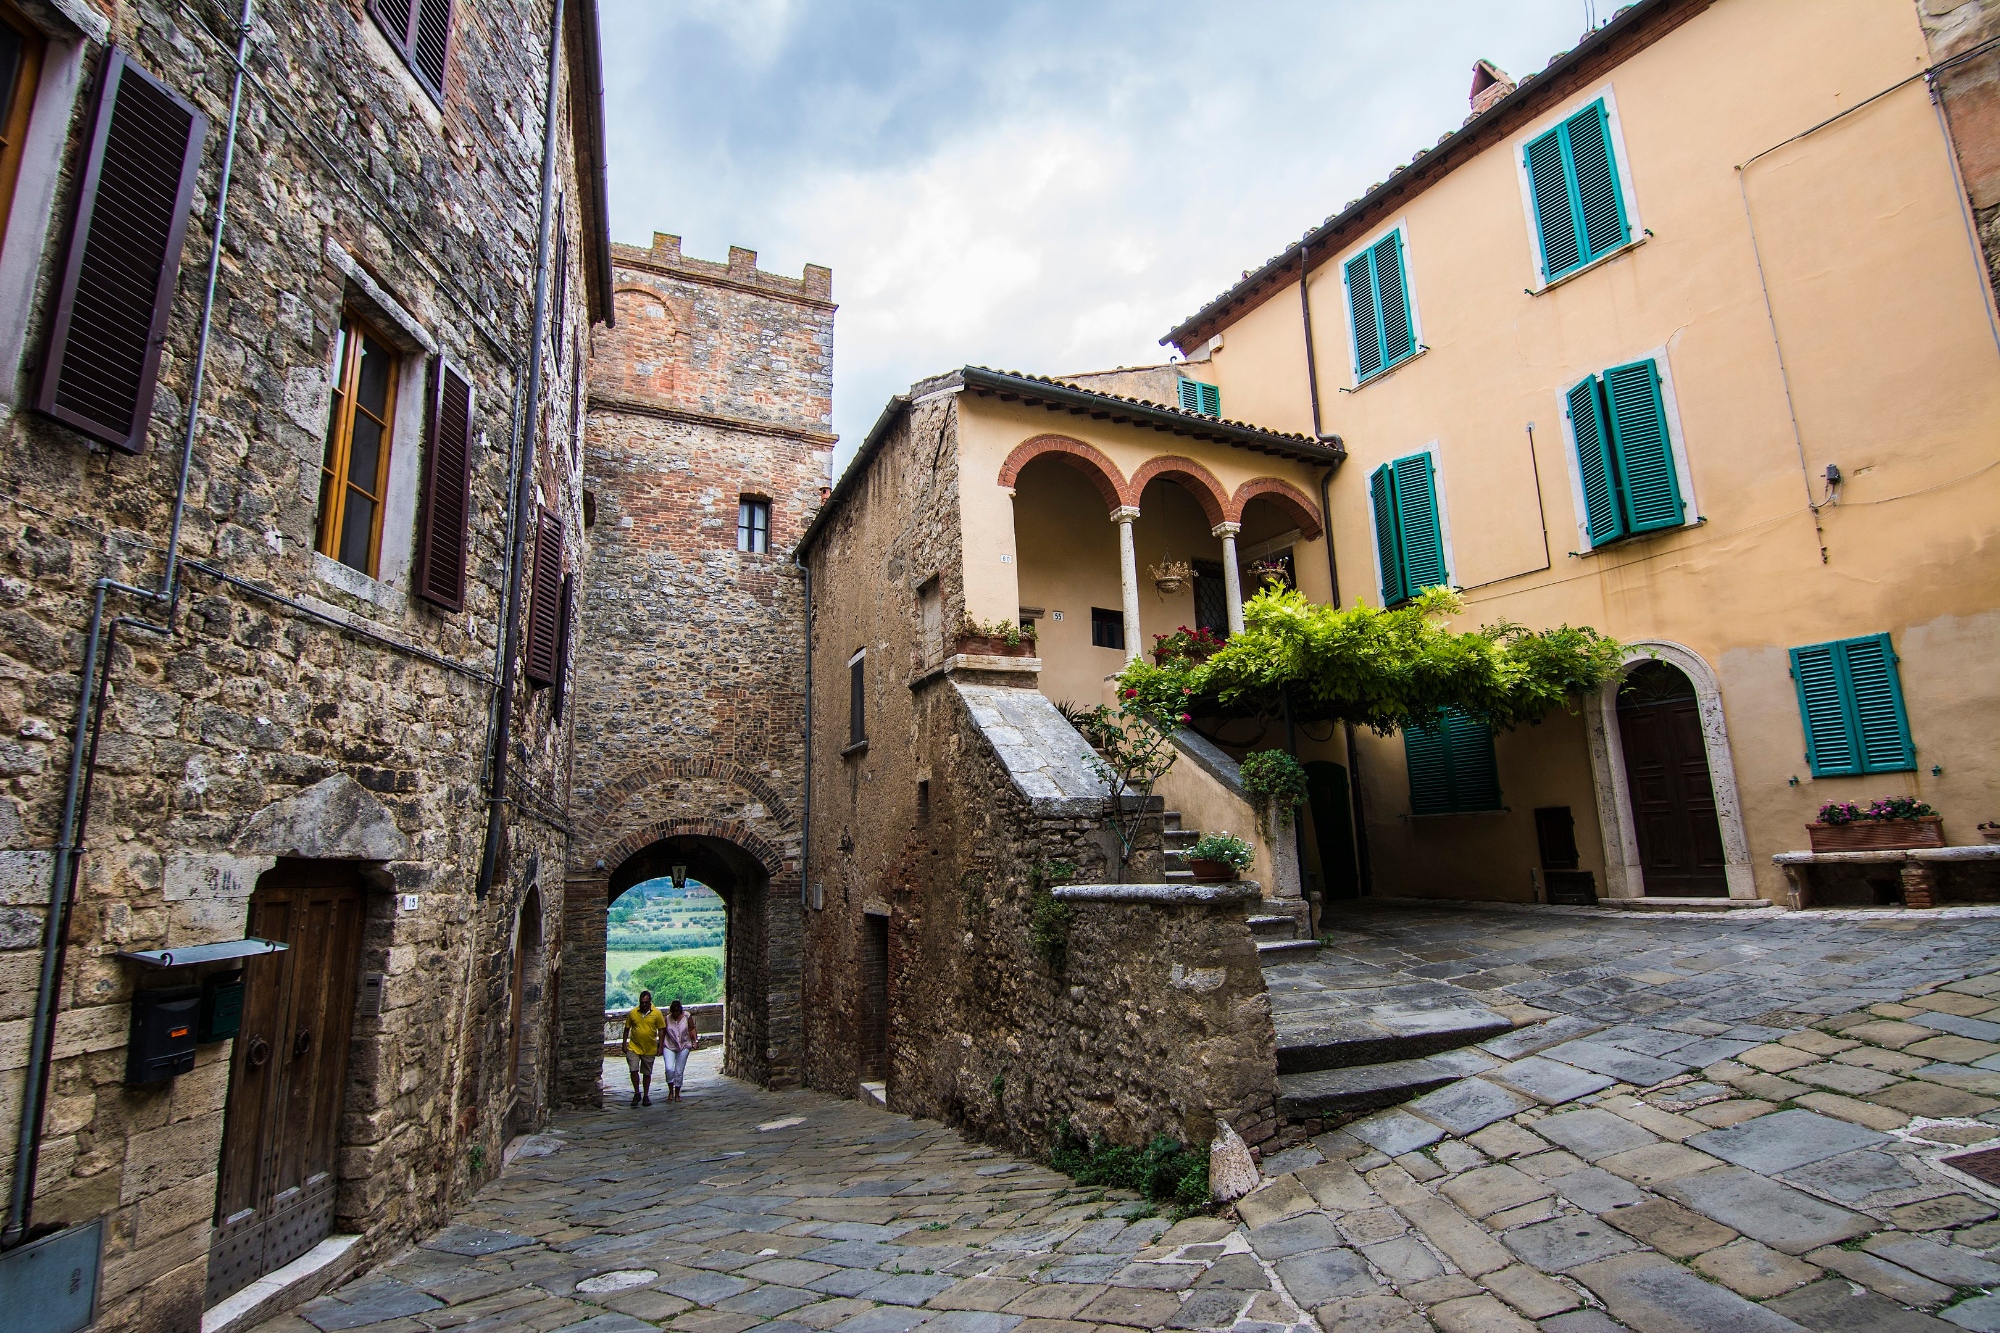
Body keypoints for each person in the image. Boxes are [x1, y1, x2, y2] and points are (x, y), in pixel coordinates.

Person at [622, 989, 666, 1106]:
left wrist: (660, 1046)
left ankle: (646, 1095)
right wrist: (624, 1044)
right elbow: (627, 1028)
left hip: (649, 1047)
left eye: (646, 1002)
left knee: (647, 1073)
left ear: (650, 1002)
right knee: (633, 1069)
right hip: (634, 1046)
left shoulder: (657, 1013)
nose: (644, 1005)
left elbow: (661, 1029)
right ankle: (637, 1092)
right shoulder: (633, 1013)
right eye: (642, 1002)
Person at [661, 998, 697, 1101]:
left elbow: (692, 1028)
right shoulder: (667, 1019)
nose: (675, 1013)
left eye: (677, 1011)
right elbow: (663, 1032)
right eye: (674, 1011)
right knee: (669, 1068)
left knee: (679, 1070)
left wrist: (695, 1041)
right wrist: (660, 1046)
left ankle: (677, 1093)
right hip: (669, 1045)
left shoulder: (687, 1016)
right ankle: (670, 1091)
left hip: (684, 1045)